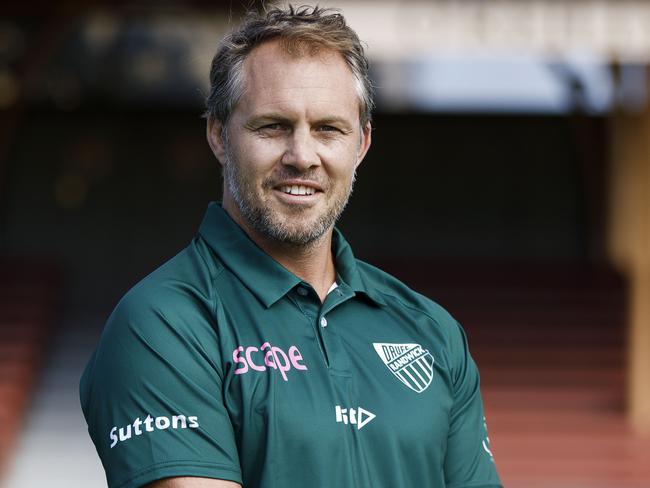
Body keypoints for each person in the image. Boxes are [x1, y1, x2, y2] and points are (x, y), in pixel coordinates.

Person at [80, 5, 502, 488]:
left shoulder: (433, 331)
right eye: (273, 126)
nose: (303, 156)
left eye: (328, 129)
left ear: (361, 144)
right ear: (219, 136)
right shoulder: (161, 323)